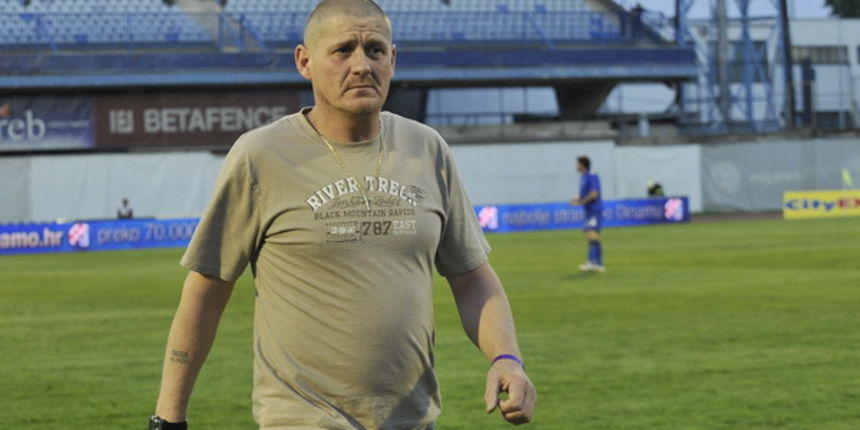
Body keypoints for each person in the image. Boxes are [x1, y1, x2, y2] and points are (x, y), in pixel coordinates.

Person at [150, 1, 536, 429]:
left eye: (374, 49)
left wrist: (506, 358)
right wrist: (169, 418)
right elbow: (206, 293)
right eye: (342, 50)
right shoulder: (261, 155)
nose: (361, 65)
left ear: (393, 59)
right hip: (302, 420)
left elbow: (471, 278)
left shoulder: (426, 148)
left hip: (412, 420)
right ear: (305, 62)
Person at [570, 156, 604, 273]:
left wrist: (581, 201)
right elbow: (584, 194)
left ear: (582, 165)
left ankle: (592, 262)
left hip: (594, 210)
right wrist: (577, 200)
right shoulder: (583, 177)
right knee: (591, 235)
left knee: (592, 234)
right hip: (589, 211)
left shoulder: (591, 176)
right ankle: (598, 264)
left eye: (577, 163)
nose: (575, 166)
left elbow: (594, 194)